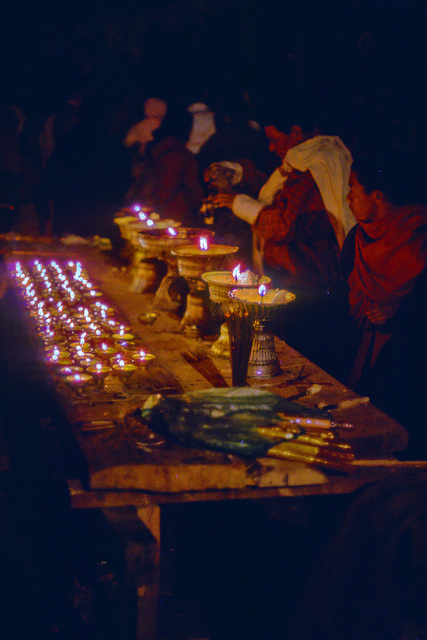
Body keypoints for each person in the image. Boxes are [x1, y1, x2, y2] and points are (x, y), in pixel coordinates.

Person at [343, 152, 427, 454]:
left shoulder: (419, 237)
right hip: (360, 352)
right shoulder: (357, 238)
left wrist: (401, 314)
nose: (348, 197)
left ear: (376, 196)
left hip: (409, 366)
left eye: (353, 189)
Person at [124, 104, 204, 226]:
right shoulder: (184, 157)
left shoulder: (151, 150)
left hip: (147, 215)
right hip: (176, 218)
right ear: (186, 128)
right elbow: (194, 192)